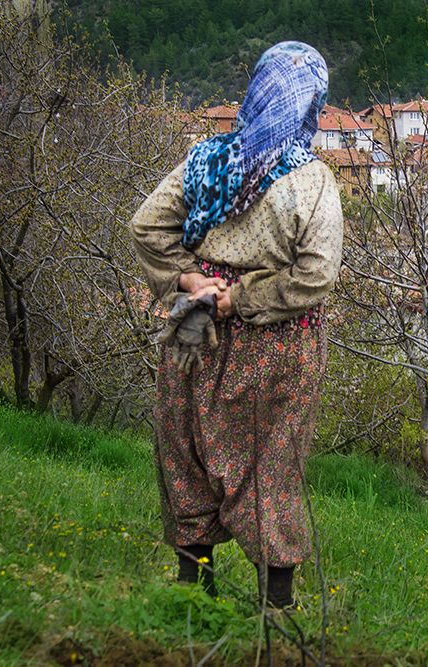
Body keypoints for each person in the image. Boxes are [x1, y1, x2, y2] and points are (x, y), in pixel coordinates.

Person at [130, 41, 342, 609]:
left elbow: (147, 227)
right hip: (277, 344)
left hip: (195, 333)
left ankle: (192, 591)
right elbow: (316, 275)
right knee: (269, 460)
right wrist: (242, 298)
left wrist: (192, 284)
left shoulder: (205, 162)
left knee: (186, 448)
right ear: (310, 108)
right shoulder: (312, 181)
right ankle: (277, 603)